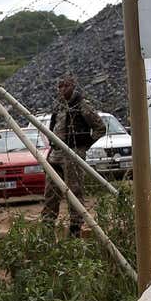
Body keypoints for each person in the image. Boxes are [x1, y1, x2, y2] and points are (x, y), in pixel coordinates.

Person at [40, 75, 104, 237]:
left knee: (74, 191)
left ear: (73, 86)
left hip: (72, 153)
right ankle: (47, 227)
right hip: (56, 154)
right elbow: (53, 129)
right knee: (51, 191)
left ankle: (75, 228)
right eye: (60, 86)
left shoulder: (81, 106)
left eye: (66, 86)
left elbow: (100, 128)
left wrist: (83, 146)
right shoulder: (59, 107)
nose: (62, 89)